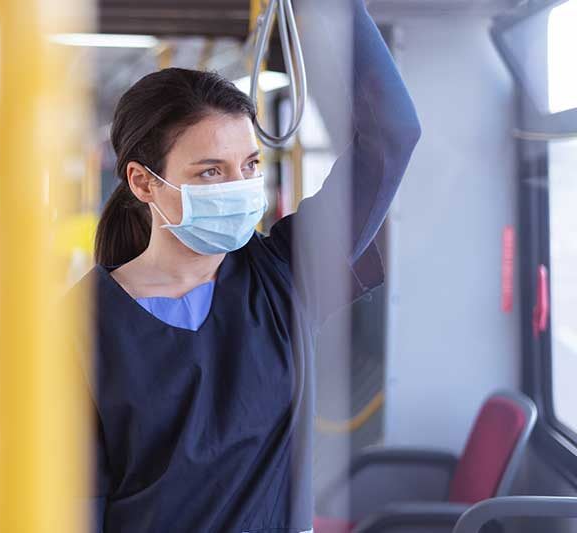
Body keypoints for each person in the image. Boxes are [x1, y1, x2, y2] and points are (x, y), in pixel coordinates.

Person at [74, 0, 421, 530]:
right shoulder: (77, 326)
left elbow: (391, 134)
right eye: (211, 172)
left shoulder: (284, 275)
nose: (239, 187)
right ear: (144, 182)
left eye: (250, 165)